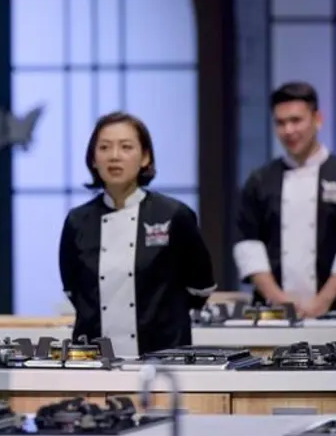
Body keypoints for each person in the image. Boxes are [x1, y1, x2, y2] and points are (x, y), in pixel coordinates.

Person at [58, 111, 217, 357]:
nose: (114, 156)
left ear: (145, 157)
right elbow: (73, 290)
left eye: (126, 147)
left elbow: (200, 287)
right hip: (94, 360)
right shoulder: (77, 221)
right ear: (93, 159)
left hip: (164, 357)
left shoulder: (174, 215)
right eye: (104, 147)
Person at [233, 81, 336, 317]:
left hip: (335, 312)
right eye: (280, 123)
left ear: (317, 119)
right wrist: (279, 300)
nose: (288, 130)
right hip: (272, 315)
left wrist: (323, 301)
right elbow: (248, 246)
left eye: (296, 120)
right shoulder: (259, 180)